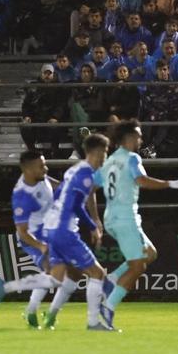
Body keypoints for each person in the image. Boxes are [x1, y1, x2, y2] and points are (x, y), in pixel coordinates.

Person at [94, 122, 178, 328]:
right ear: (128, 137)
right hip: (125, 217)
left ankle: (112, 279)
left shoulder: (109, 161)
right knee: (138, 266)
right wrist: (170, 184)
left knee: (150, 253)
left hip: (111, 217)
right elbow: (141, 180)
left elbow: (93, 184)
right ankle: (107, 308)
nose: (141, 140)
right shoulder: (131, 158)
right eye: (138, 136)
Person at [40, 133, 114, 332]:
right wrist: (92, 226)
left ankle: (50, 316)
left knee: (73, 274)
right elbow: (76, 205)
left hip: (55, 228)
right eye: (105, 151)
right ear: (97, 151)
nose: (106, 156)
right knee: (97, 274)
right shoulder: (86, 174)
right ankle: (92, 322)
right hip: (65, 230)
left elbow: (60, 195)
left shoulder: (74, 170)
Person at [0, 151, 62, 328]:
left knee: (55, 275)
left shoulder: (40, 177)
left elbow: (56, 185)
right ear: (28, 170)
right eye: (41, 166)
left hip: (50, 232)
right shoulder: (22, 196)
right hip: (33, 237)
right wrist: (41, 246)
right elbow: (22, 232)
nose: (46, 168)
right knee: (56, 274)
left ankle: (29, 309)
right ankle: (24, 303)